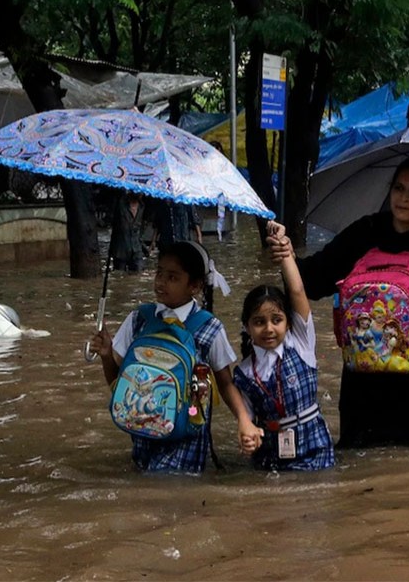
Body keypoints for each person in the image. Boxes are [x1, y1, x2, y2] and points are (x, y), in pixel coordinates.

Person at [272, 156, 409, 448]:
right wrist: (286, 254)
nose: (404, 197)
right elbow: (311, 282)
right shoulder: (364, 233)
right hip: (363, 402)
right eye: (399, 188)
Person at [89, 241, 262, 474]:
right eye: (159, 273)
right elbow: (119, 384)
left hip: (188, 440)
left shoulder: (209, 328)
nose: (161, 282)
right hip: (143, 433)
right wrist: (106, 356)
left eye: (172, 277)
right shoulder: (139, 319)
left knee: (165, 486)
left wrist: (244, 420)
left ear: (194, 286)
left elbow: (225, 383)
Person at [233, 221, 335, 471]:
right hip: (271, 457)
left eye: (276, 320)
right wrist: (248, 439)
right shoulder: (244, 373)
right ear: (247, 327)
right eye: (259, 322)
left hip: (316, 450)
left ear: (289, 323)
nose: (269, 328)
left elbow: (297, 290)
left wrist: (285, 251)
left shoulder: (300, 342)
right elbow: (247, 421)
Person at [109, 192, 146, 272]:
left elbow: (141, 227)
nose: (141, 193)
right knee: (119, 273)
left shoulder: (142, 206)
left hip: (136, 248)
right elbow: (113, 222)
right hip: (121, 249)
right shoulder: (120, 204)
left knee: (139, 271)